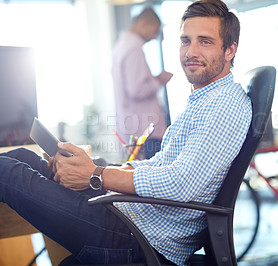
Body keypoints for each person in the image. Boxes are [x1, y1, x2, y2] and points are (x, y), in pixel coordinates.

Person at [0, 0, 251, 265]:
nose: (191, 51)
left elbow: (179, 184)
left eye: (205, 42)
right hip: (129, 214)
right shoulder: (204, 100)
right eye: (185, 40)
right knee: (22, 159)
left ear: (229, 50)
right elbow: (161, 165)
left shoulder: (225, 104)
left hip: (137, 238)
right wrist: (104, 170)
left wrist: (96, 175)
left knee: (6, 171)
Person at [112, 7, 173, 158]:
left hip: (133, 126)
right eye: (154, 31)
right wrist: (158, 80)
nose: (154, 37)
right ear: (144, 23)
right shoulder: (133, 49)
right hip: (145, 130)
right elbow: (136, 90)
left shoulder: (121, 46)